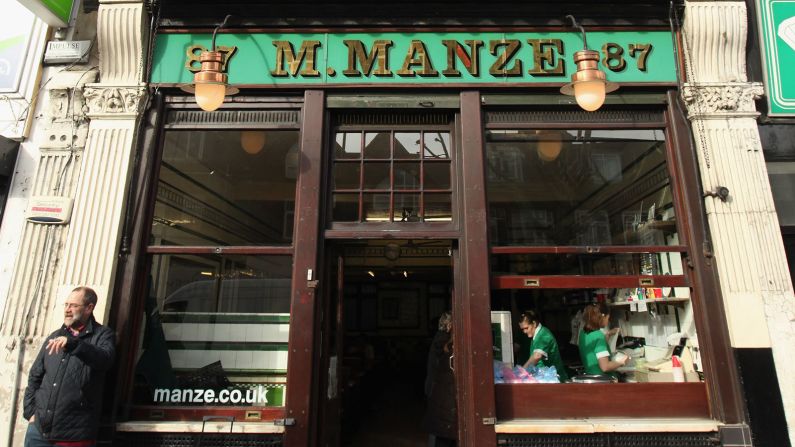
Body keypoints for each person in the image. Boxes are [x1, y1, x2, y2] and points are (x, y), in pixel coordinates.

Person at [23, 286, 116, 447]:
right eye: (66, 305)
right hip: (38, 431)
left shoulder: (103, 335)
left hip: (75, 434)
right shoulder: (54, 336)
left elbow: (105, 360)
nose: (67, 310)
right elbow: (35, 376)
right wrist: (30, 412)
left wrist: (74, 344)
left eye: (73, 305)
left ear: (89, 308)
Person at [423, 312, 457, 447]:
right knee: (438, 426)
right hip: (436, 387)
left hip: (435, 386)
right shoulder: (442, 338)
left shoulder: (440, 337)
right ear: (449, 325)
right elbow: (445, 351)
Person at [578, 303, 628, 377]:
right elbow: (605, 367)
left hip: (590, 376)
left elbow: (595, 346)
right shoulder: (598, 336)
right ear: (603, 317)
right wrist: (622, 361)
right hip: (602, 380)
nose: (608, 321)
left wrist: (608, 334)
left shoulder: (583, 333)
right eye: (608, 318)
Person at [518, 310, 569, 381]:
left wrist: (521, 373)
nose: (524, 331)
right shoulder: (536, 336)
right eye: (522, 329)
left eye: (526, 328)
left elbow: (537, 356)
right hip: (545, 379)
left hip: (555, 380)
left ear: (534, 323)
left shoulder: (544, 335)